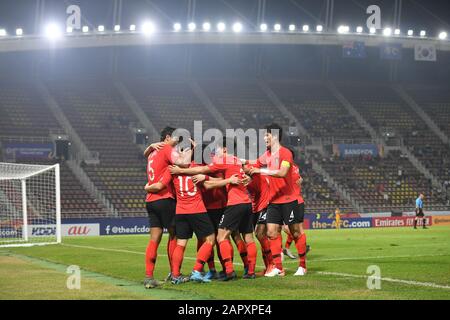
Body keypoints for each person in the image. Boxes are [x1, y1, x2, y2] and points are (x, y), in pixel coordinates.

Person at [146, 144, 241, 284]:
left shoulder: (172, 170)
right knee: (210, 239)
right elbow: (208, 183)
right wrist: (227, 180)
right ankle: (197, 271)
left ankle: (175, 275)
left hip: (180, 211)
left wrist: (147, 186)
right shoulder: (196, 168)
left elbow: (160, 186)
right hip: (197, 210)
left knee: (181, 243)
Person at [170, 137, 257, 280]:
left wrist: (205, 177)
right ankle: (215, 269)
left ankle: (230, 269)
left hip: (222, 205)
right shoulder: (209, 161)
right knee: (218, 239)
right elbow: (241, 167)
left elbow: (218, 178)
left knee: (226, 237)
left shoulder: (215, 162)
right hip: (210, 207)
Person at [248, 123, 307, 277]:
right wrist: (234, 161)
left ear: (274, 136)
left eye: (266, 135)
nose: (264, 138)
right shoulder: (265, 156)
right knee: (272, 232)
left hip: (289, 200)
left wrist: (260, 170)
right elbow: (252, 164)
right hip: (273, 201)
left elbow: (282, 173)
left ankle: (302, 266)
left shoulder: (285, 153)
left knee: (295, 232)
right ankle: (278, 268)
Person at [142, 127, 180, 289]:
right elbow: (181, 162)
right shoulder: (166, 148)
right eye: (177, 138)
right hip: (164, 198)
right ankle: (174, 273)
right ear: (168, 137)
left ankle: (148, 276)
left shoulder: (152, 152)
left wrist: (150, 146)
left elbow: (146, 155)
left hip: (151, 201)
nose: (178, 142)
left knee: (154, 239)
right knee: (174, 235)